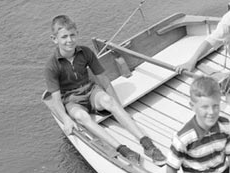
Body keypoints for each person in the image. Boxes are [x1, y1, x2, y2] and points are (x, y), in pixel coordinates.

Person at [43, 15, 166, 165]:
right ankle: (123, 150)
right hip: (72, 100)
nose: (69, 40)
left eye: (72, 35)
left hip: (91, 92)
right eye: (64, 37)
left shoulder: (86, 52)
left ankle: (147, 144)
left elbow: (103, 79)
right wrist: (66, 120)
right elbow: (56, 99)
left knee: (108, 100)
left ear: (77, 34)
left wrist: (117, 107)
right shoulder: (51, 65)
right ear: (54, 39)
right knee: (81, 117)